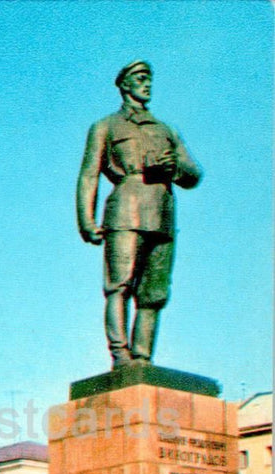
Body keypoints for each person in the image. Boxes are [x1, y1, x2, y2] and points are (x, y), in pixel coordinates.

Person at [76, 61, 202, 370]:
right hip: (124, 210)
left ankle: (143, 357)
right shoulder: (105, 126)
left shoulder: (166, 129)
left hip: (162, 214)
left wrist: (174, 167)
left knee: (155, 292)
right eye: (140, 79)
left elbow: (194, 174)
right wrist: (86, 220)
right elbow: (88, 175)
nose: (147, 85)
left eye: (149, 80)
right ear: (125, 85)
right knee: (119, 285)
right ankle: (120, 355)